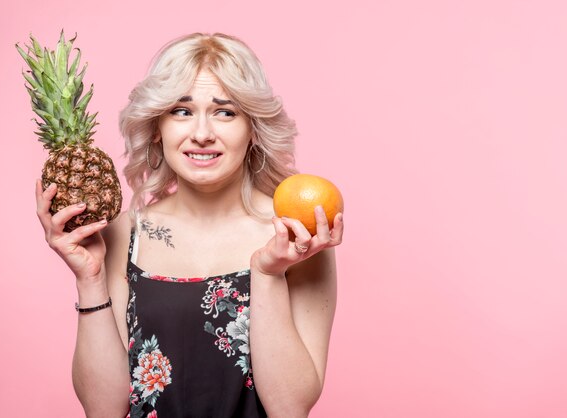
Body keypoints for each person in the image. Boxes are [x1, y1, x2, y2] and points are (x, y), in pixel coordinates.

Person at [35, 32, 343, 418]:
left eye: (225, 112)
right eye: (181, 111)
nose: (201, 133)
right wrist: (89, 278)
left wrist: (267, 273)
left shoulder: (295, 235)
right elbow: (104, 410)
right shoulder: (123, 234)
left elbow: (289, 408)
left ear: (253, 129)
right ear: (157, 126)